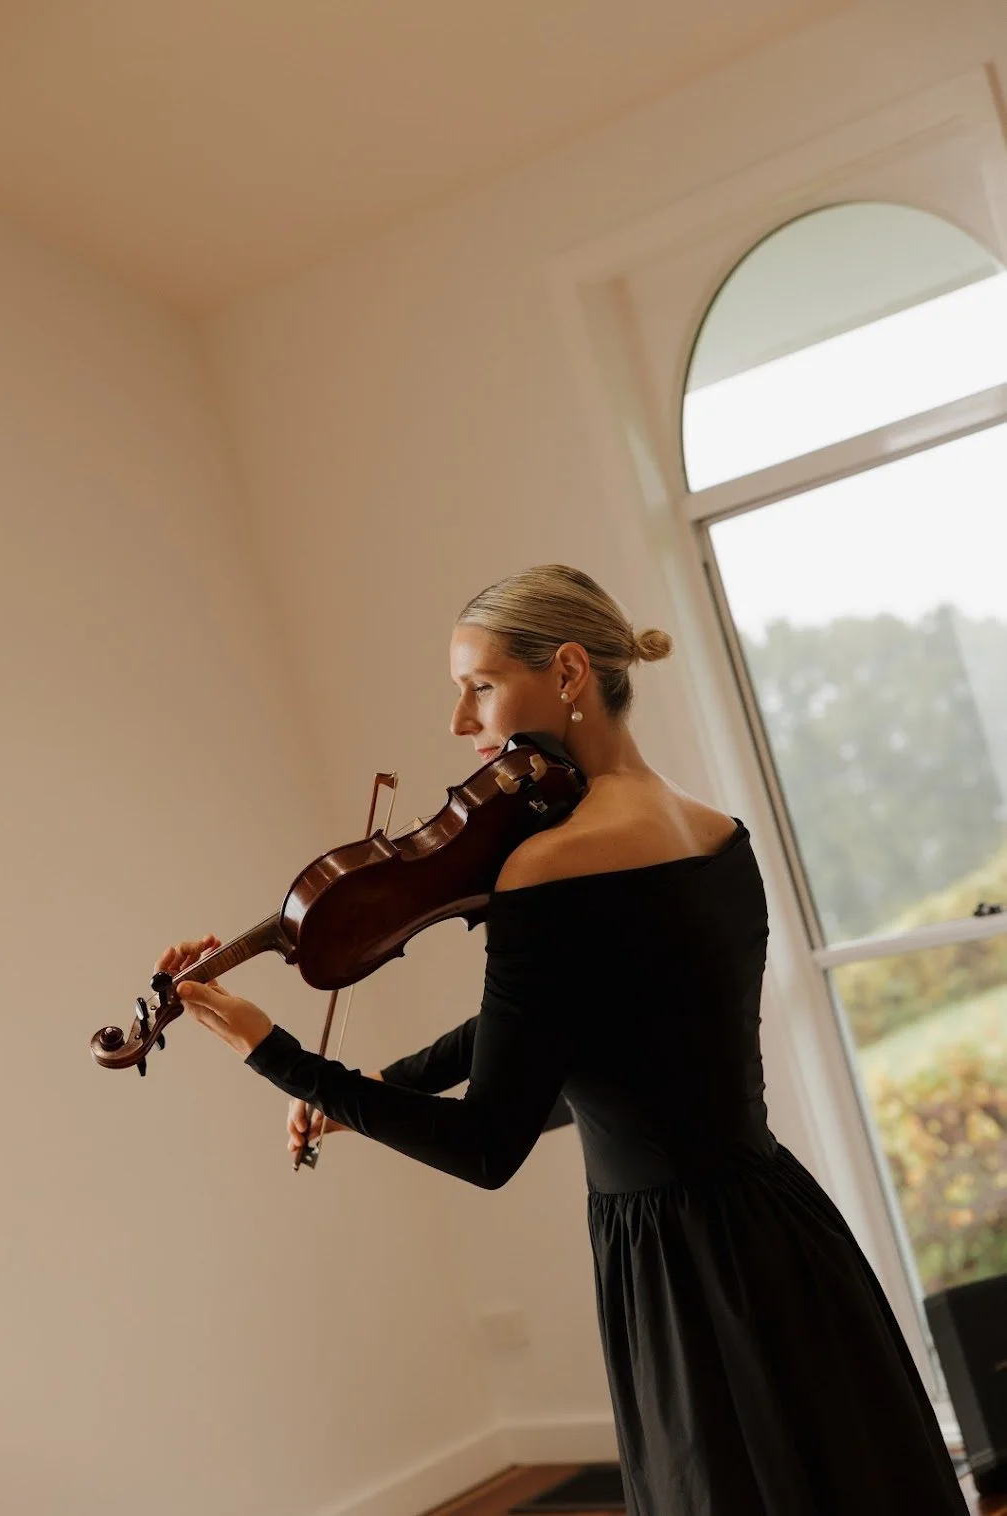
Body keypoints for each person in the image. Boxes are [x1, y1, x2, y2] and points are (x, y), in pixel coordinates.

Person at [161, 564, 968, 1515]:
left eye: (480, 687)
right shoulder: (719, 836)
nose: (462, 726)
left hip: (680, 1270)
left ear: (571, 671)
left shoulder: (547, 866)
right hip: (786, 1234)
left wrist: (277, 1054)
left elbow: (487, 1146)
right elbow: (591, 1056)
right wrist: (381, 1082)